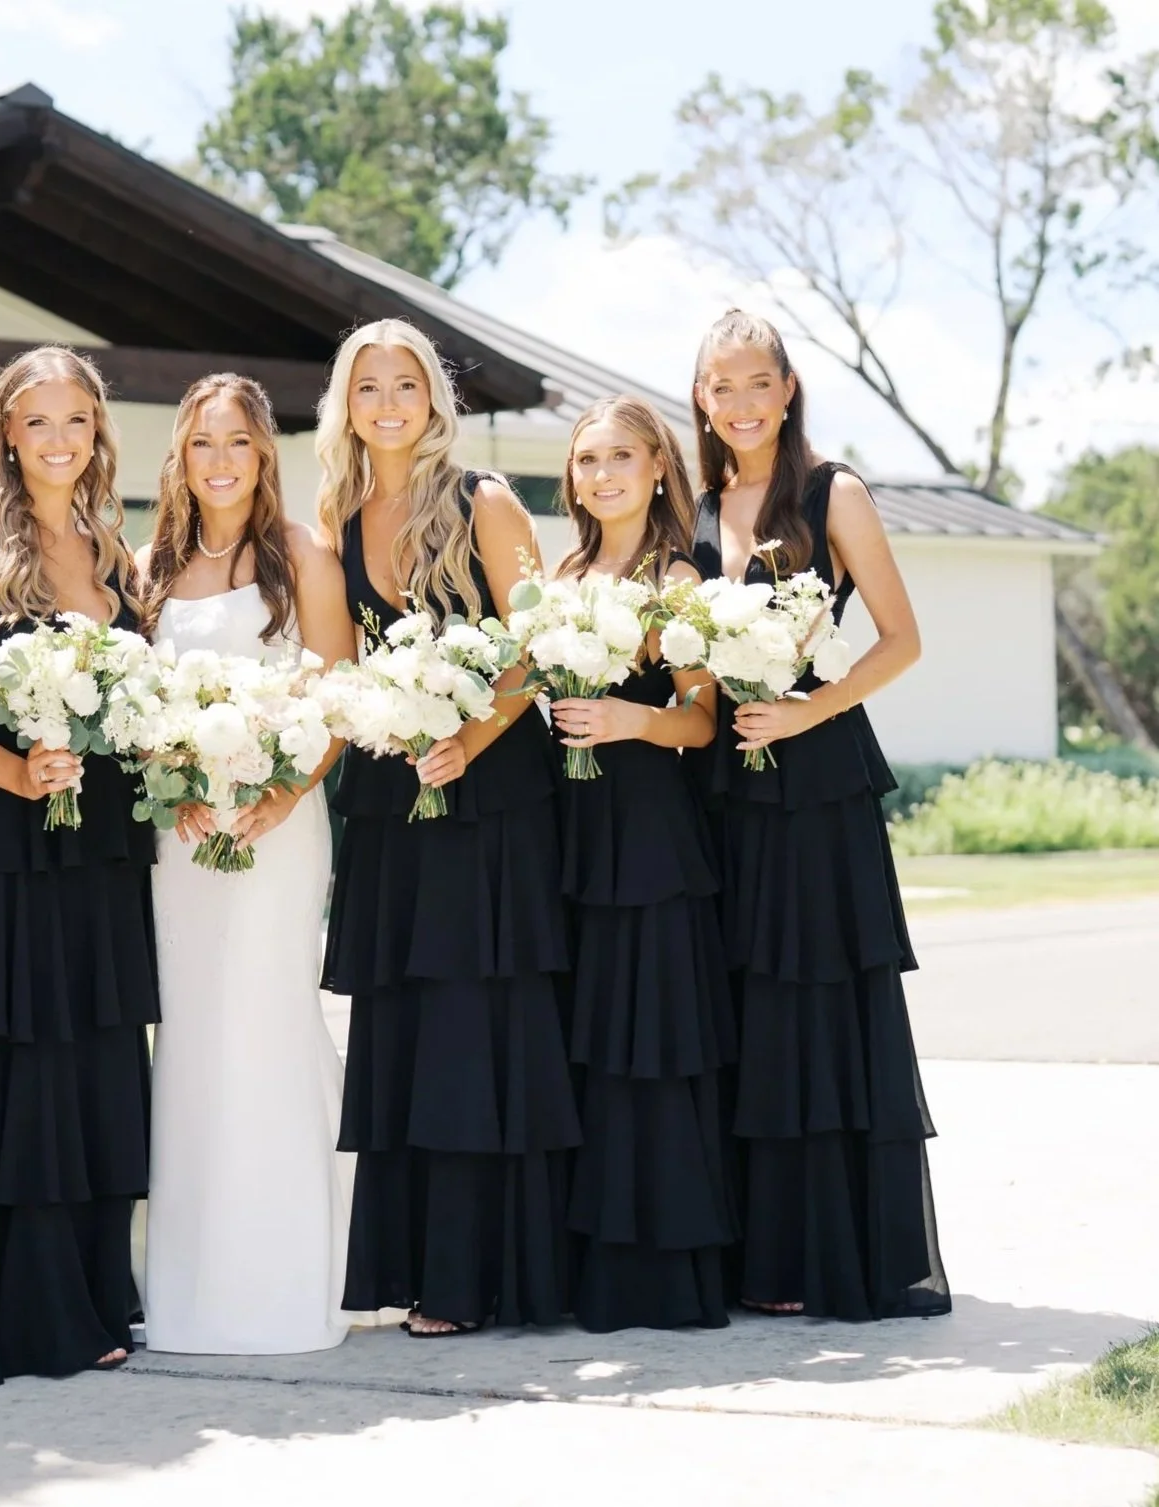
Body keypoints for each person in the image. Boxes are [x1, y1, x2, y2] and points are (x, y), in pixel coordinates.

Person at [319, 319, 580, 1336]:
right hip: (393, 804)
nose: (387, 403)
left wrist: (466, 739)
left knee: (482, 1031)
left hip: (493, 798)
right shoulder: (338, 519)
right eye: (367, 386)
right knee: (412, 1031)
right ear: (346, 404)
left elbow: (534, 650)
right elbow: (337, 671)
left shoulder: (484, 501)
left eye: (405, 384)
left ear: (433, 398)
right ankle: (420, 1266)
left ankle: (487, 1277)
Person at [688, 308, 950, 1320]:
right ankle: (761, 1256)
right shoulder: (703, 504)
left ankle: (826, 1253)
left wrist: (805, 710)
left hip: (817, 783)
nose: (741, 403)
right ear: (701, 397)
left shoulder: (830, 490)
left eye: (758, 382)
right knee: (746, 1009)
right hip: (723, 787)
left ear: (786, 387)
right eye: (721, 386)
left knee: (814, 1008)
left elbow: (898, 639)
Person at [0, 346, 157, 1383]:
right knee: (29, 1077)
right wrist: (15, 775)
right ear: (7, 435)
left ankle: (101, 1286)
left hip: (101, 846)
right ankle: (33, 1308)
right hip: (9, 850)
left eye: (77, 422)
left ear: (96, 434)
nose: (59, 440)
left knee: (99, 1067)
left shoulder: (116, 552)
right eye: (39, 423)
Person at [136, 374, 359, 1355]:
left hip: (278, 821)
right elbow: (133, 704)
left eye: (237, 442)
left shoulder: (300, 554)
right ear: (179, 457)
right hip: (179, 832)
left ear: (264, 454)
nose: (219, 460)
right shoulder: (149, 564)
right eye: (201, 444)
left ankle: (293, 1275)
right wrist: (168, 779)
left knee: (265, 1018)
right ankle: (190, 1285)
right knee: (190, 1030)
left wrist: (283, 790)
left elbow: (337, 692)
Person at [545, 396, 734, 1332]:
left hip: (650, 836)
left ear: (659, 467)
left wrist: (628, 720)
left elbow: (703, 721)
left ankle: (663, 1273)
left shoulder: (678, 574)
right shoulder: (563, 571)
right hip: (570, 832)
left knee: (649, 1045)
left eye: (621, 456)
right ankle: (593, 1267)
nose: (602, 474)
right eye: (586, 460)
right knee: (588, 1046)